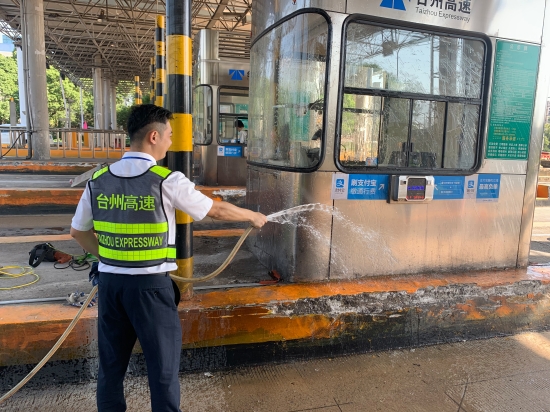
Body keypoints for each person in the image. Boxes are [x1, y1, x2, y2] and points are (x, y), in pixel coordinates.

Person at [70, 104, 267, 412]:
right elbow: (214, 210)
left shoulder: (98, 180)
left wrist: (109, 257)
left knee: (110, 368)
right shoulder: (165, 180)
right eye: (169, 135)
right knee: (162, 372)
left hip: (110, 287)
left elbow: (78, 232)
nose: (171, 141)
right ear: (153, 136)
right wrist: (252, 216)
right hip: (150, 289)